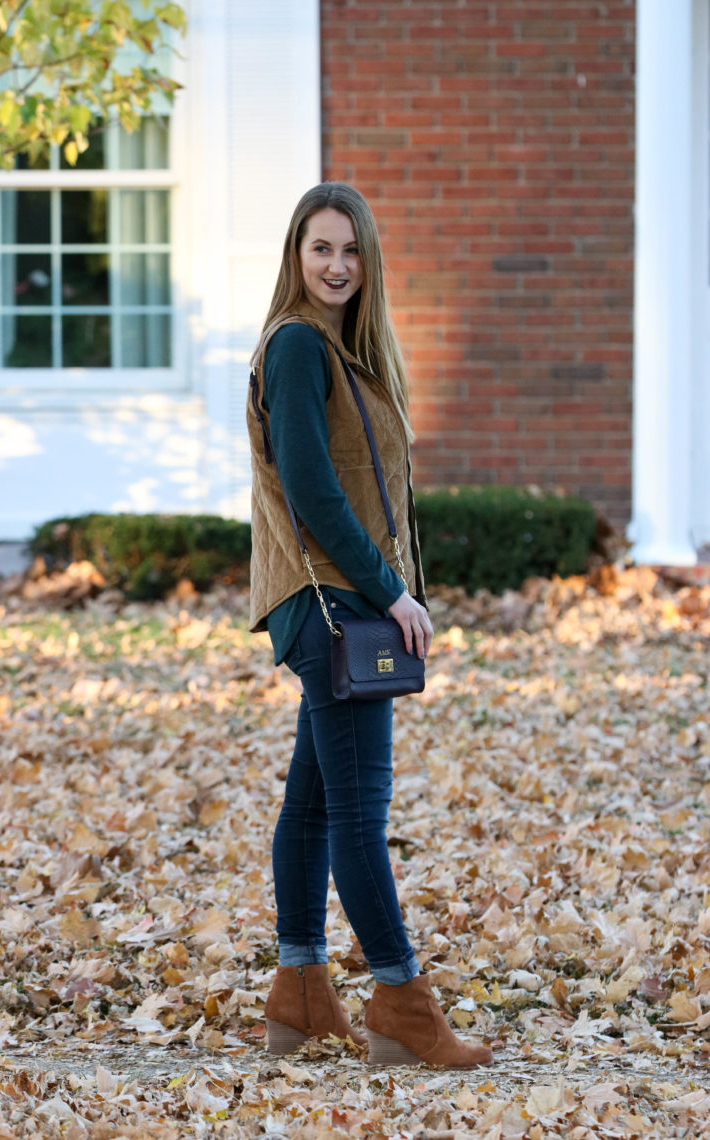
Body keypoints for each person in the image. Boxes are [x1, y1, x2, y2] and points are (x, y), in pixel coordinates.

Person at [247, 182, 493, 1069]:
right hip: (335, 605)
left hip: (323, 605)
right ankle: (401, 1000)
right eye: (320, 248)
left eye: (350, 251)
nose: (337, 265)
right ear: (295, 255)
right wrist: (392, 591)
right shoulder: (300, 349)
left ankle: (302, 993)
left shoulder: (335, 354)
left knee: (313, 806)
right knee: (359, 812)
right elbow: (313, 488)